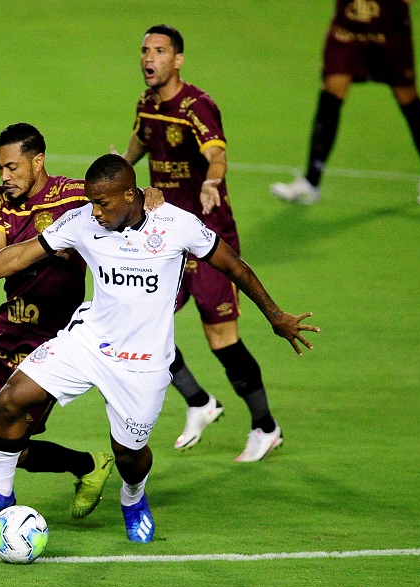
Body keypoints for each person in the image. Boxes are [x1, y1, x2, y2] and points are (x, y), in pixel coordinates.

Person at [0, 154, 319, 542]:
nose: (96, 212)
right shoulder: (84, 220)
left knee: (129, 454)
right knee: (12, 399)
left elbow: (234, 265)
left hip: (143, 363)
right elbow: (18, 255)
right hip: (88, 342)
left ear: (130, 195)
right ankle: (0, 493)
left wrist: (275, 314)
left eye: (102, 203)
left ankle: (133, 498)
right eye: (91, 203)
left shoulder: (177, 224)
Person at [0, 123, 164, 523]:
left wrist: (153, 193)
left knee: (8, 442)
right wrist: (47, 247)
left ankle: (88, 465)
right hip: (11, 325)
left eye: (12, 167)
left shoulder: (76, 196)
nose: (4, 177)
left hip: (52, 338)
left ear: (37, 161)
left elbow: (129, 201)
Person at [116, 24, 285, 461]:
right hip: (162, 237)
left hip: (207, 237)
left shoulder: (198, 105)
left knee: (221, 338)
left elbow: (217, 152)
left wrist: (212, 180)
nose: (148, 58)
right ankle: (198, 401)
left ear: (178, 59)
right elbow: (142, 136)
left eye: (159, 51)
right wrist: (121, 165)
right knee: (142, 326)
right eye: (144, 50)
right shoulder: (147, 103)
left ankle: (266, 427)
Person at [270, 0, 420, 205]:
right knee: (332, 90)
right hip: (348, 30)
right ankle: (311, 182)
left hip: (389, 29)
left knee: (406, 95)